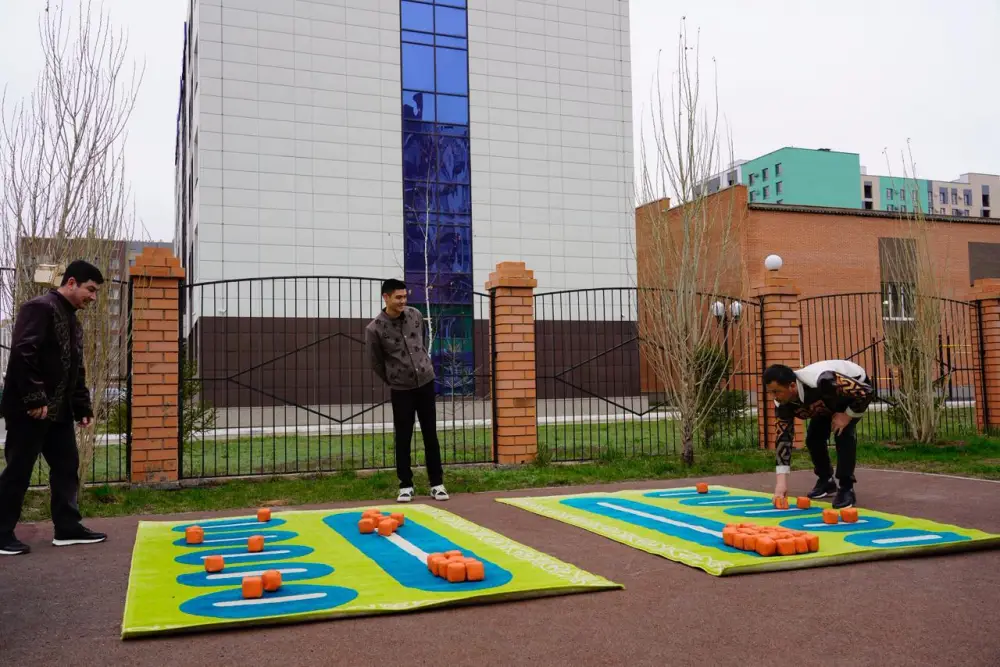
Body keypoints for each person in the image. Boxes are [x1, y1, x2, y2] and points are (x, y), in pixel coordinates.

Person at [0, 260, 108, 556]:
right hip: (30, 410)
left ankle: (67, 528)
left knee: (66, 467)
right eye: (90, 289)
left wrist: (82, 406)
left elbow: (76, 369)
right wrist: (34, 399)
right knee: (19, 471)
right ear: (71, 283)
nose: (93, 297)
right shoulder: (39, 308)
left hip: (58, 413)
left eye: (96, 292)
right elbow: (24, 352)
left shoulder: (73, 321)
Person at [365, 279, 449, 503]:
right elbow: (376, 363)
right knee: (403, 436)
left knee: (430, 433)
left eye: (404, 297)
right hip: (401, 389)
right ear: (386, 297)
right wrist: (394, 378)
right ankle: (405, 485)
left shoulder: (415, 315)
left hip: (426, 383)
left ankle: (437, 484)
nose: (403, 301)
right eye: (398, 297)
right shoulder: (374, 329)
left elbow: (420, 343)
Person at [762, 359, 875, 510]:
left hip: (850, 393)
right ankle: (826, 480)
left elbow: (866, 391)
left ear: (792, 386)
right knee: (814, 438)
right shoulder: (783, 404)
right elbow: (783, 440)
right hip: (825, 401)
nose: (774, 397)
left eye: (776, 392)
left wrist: (847, 416)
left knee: (842, 433)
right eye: (771, 392)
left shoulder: (824, 381)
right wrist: (781, 485)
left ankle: (846, 487)